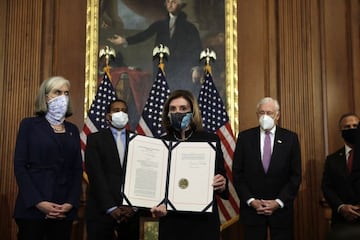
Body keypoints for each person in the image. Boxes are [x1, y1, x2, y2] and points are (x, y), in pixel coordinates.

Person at [150, 89, 229, 240]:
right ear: (167, 113)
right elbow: (156, 184)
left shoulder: (210, 140)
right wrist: (156, 205)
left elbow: (222, 178)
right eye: (173, 109)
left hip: (203, 222)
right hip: (172, 221)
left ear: (192, 112)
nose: (177, 112)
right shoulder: (160, 143)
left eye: (183, 108)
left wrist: (222, 184)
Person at [13, 76, 83, 240]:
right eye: (57, 92)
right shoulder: (29, 125)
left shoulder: (72, 129)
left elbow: (77, 169)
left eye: (66, 93)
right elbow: (20, 166)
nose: (62, 97)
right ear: (45, 97)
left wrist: (70, 203)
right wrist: (39, 203)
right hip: (33, 208)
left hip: (63, 210)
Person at [232, 97, 302, 240]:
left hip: (281, 210)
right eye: (261, 113)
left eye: (269, 113)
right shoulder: (245, 138)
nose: (265, 116)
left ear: (277, 115)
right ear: (257, 115)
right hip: (252, 211)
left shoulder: (290, 138)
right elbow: (238, 174)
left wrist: (278, 202)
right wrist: (251, 201)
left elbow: (295, 175)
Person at [108, 0, 203, 95]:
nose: (170, 4)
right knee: (161, 97)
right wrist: (125, 40)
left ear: (181, 5)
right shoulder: (161, 24)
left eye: (173, 2)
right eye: (168, 1)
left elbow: (197, 48)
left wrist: (195, 68)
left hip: (181, 70)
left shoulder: (190, 28)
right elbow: (144, 35)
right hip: (162, 67)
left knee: (178, 96)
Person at [85, 99, 141, 240]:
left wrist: (132, 206)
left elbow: (140, 176)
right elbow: (96, 175)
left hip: (130, 214)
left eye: (124, 110)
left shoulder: (138, 140)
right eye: (116, 110)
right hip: (101, 211)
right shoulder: (94, 139)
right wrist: (111, 207)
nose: (120, 113)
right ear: (108, 116)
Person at [321, 113, 360, 231]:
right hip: (342, 220)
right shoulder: (332, 160)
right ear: (341, 132)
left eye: (355, 126)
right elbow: (327, 187)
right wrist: (341, 207)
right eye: (347, 127)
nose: (352, 129)